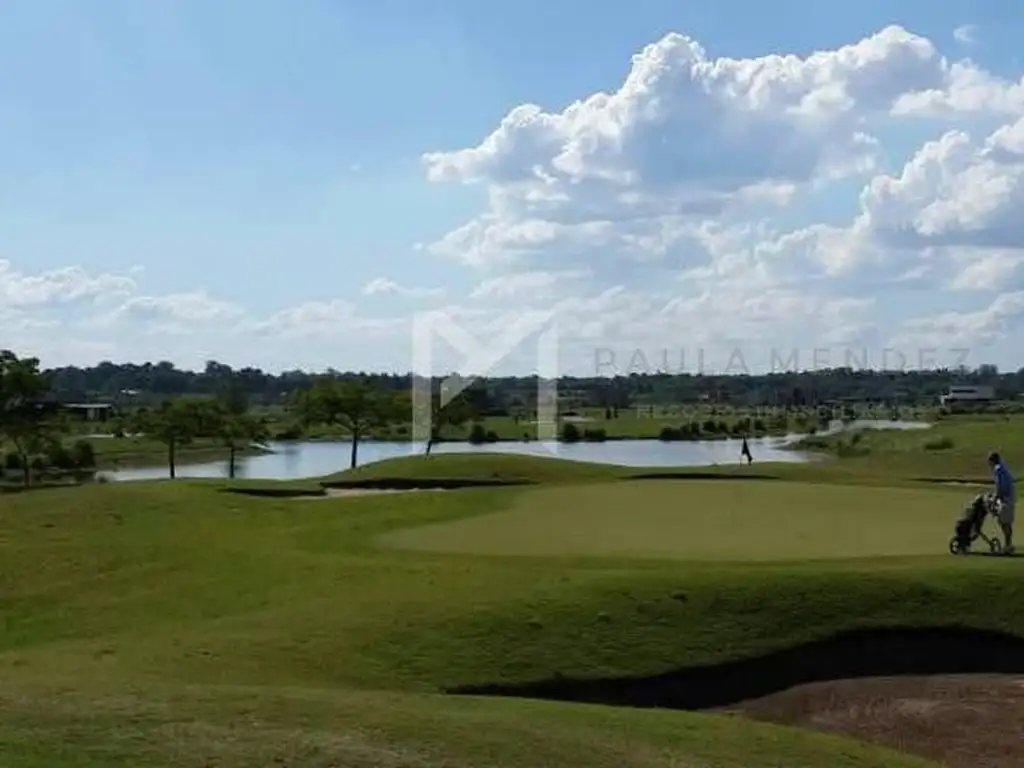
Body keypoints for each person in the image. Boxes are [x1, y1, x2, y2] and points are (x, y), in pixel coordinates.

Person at [988, 451, 1016, 555]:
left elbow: (1000, 487)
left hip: (1006, 498)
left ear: (993, 461)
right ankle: (1008, 545)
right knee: (1005, 522)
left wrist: (995, 498)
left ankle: (1008, 546)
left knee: (1004, 522)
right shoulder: (1002, 467)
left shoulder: (998, 469)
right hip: (1008, 497)